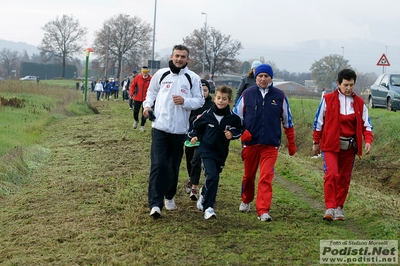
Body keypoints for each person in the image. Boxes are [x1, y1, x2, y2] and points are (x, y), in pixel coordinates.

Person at [142, 44, 205, 219]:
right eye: (177, 56)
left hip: (179, 131)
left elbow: (199, 101)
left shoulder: (193, 78)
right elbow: (151, 93)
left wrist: (185, 101)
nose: (179, 59)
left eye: (183, 57)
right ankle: (155, 204)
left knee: (172, 167)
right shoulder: (161, 74)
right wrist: (147, 106)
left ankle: (169, 195)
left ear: (188, 59)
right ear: (171, 56)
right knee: (158, 165)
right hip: (160, 128)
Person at [234, 64, 297, 222]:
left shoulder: (279, 96)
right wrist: (242, 132)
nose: (263, 79)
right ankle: (246, 199)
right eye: (260, 76)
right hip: (250, 144)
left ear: (271, 78)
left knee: (266, 177)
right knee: (249, 176)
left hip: (270, 145)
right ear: (255, 77)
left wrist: (291, 142)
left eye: (266, 76)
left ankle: (263, 210)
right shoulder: (247, 95)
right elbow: (236, 118)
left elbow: (288, 121)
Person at [312, 68, 373, 221]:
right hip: (330, 145)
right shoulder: (327, 99)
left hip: (349, 147)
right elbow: (318, 122)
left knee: (344, 178)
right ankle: (330, 207)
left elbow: (367, 125)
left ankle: (339, 207)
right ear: (338, 84)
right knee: (332, 175)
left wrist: (368, 141)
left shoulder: (359, 103)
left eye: (351, 85)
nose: (348, 88)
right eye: (345, 85)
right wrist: (315, 142)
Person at [189, 85, 243, 219]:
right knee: (213, 176)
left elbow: (240, 129)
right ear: (214, 99)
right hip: (206, 151)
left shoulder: (233, 118)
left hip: (221, 152)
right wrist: (194, 136)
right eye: (218, 98)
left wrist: (232, 134)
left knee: (213, 177)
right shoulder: (207, 114)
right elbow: (196, 127)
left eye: (224, 99)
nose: (220, 101)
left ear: (229, 101)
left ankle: (204, 195)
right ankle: (209, 207)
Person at [184, 79, 214, 200]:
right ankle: (191, 179)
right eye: (201, 90)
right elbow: (187, 118)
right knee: (190, 160)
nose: (204, 93)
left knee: (196, 160)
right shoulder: (192, 103)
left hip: (205, 138)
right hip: (191, 136)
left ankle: (194, 188)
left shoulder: (212, 105)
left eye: (206, 90)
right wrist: (196, 117)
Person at [130, 66, 152, 131]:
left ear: (148, 72)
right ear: (141, 72)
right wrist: (131, 93)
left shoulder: (151, 79)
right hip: (137, 98)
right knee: (135, 112)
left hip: (146, 99)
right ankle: (136, 120)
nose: (145, 74)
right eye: (144, 72)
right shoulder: (137, 78)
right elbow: (132, 86)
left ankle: (142, 126)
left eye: (146, 72)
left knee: (144, 113)